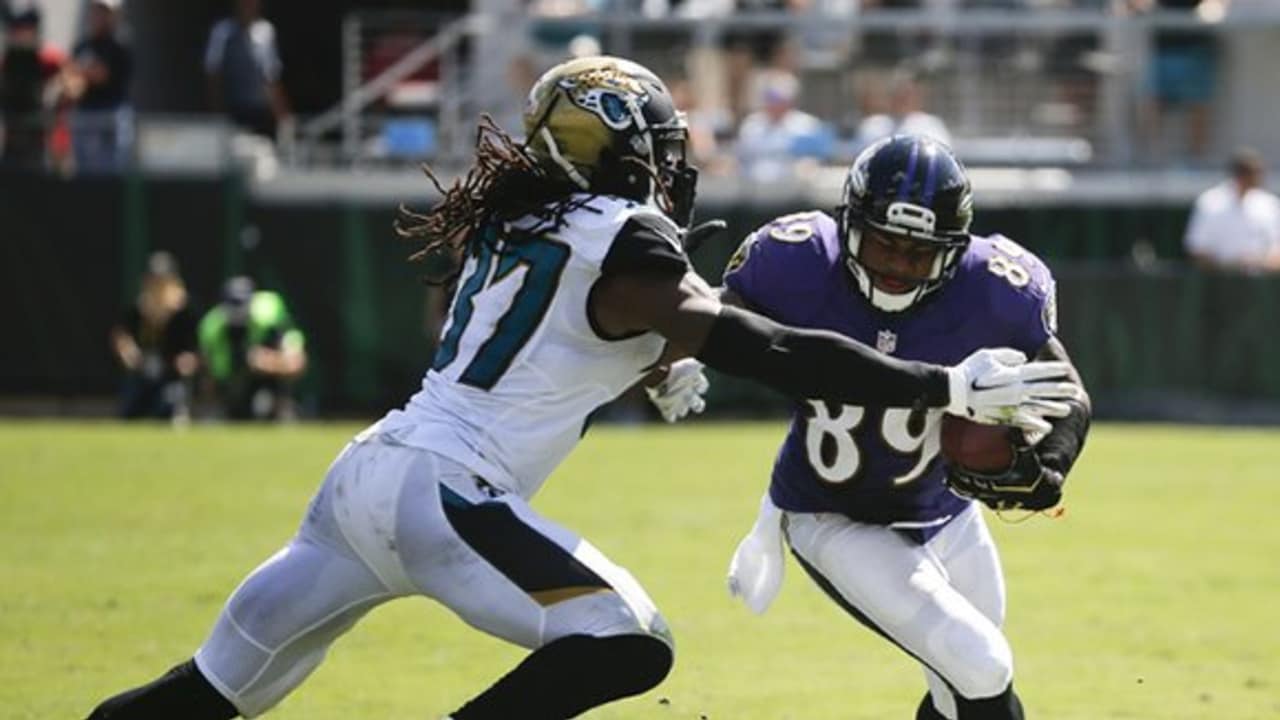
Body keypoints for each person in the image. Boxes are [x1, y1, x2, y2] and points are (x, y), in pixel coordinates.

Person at [84, 57, 1076, 720]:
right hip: (447, 494)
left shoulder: (518, 222)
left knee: (207, 696)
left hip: (359, 486)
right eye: (659, 144)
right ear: (620, 154)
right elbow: (753, 344)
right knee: (628, 640)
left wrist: (659, 366)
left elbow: (572, 339)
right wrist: (936, 381)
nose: (673, 162)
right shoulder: (624, 234)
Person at [720, 135, 1091, 720]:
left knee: (958, 686)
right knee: (981, 665)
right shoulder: (797, 262)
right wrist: (683, 351)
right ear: (849, 226)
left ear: (952, 250)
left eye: (917, 254)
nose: (896, 267)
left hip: (947, 513)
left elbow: (1066, 391)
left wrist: (1046, 470)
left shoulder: (995, 287)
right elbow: (724, 323)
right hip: (832, 514)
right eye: (883, 245)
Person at [197, 276, 307, 421]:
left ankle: (282, 408)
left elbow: (297, 363)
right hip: (233, 388)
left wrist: (268, 363)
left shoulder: (271, 316)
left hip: (271, 383)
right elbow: (211, 376)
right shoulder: (212, 327)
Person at [109, 251, 199, 421]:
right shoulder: (138, 308)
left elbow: (194, 351)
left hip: (171, 377)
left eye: (163, 281)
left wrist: (187, 361)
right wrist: (127, 351)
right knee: (129, 413)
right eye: (154, 280)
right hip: (142, 375)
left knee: (166, 410)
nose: (158, 286)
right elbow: (121, 336)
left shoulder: (185, 312)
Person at [62, 0, 133, 174]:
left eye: (105, 12)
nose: (99, 17)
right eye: (96, 11)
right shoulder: (82, 45)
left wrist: (82, 72)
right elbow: (70, 80)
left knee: (112, 173)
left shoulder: (120, 45)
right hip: (85, 115)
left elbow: (102, 76)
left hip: (111, 116)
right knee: (85, 174)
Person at [1183, 147, 1280, 274]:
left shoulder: (1269, 204)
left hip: (1261, 283)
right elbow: (1196, 248)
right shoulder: (1210, 202)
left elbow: (1276, 248)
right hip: (1220, 281)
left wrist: (1259, 262)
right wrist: (1230, 265)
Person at [204, 0, 289, 139]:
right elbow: (213, 74)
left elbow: (271, 78)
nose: (248, 6)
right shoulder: (222, 32)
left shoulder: (265, 32)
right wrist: (217, 111)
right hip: (233, 110)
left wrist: (282, 116)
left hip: (260, 112)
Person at [0, 1, 67, 171]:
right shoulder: (6, 59)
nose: (19, 32)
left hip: (38, 134)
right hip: (11, 134)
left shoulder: (48, 58)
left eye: (24, 26)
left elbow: (70, 82)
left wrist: (55, 98)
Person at [734, 69, 830, 183]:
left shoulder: (807, 125)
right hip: (754, 191)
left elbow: (821, 157)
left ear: (790, 100)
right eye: (770, 98)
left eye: (778, 99)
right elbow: (740, 158)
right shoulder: (752, 124)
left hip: (793, 191)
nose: (774, 104)